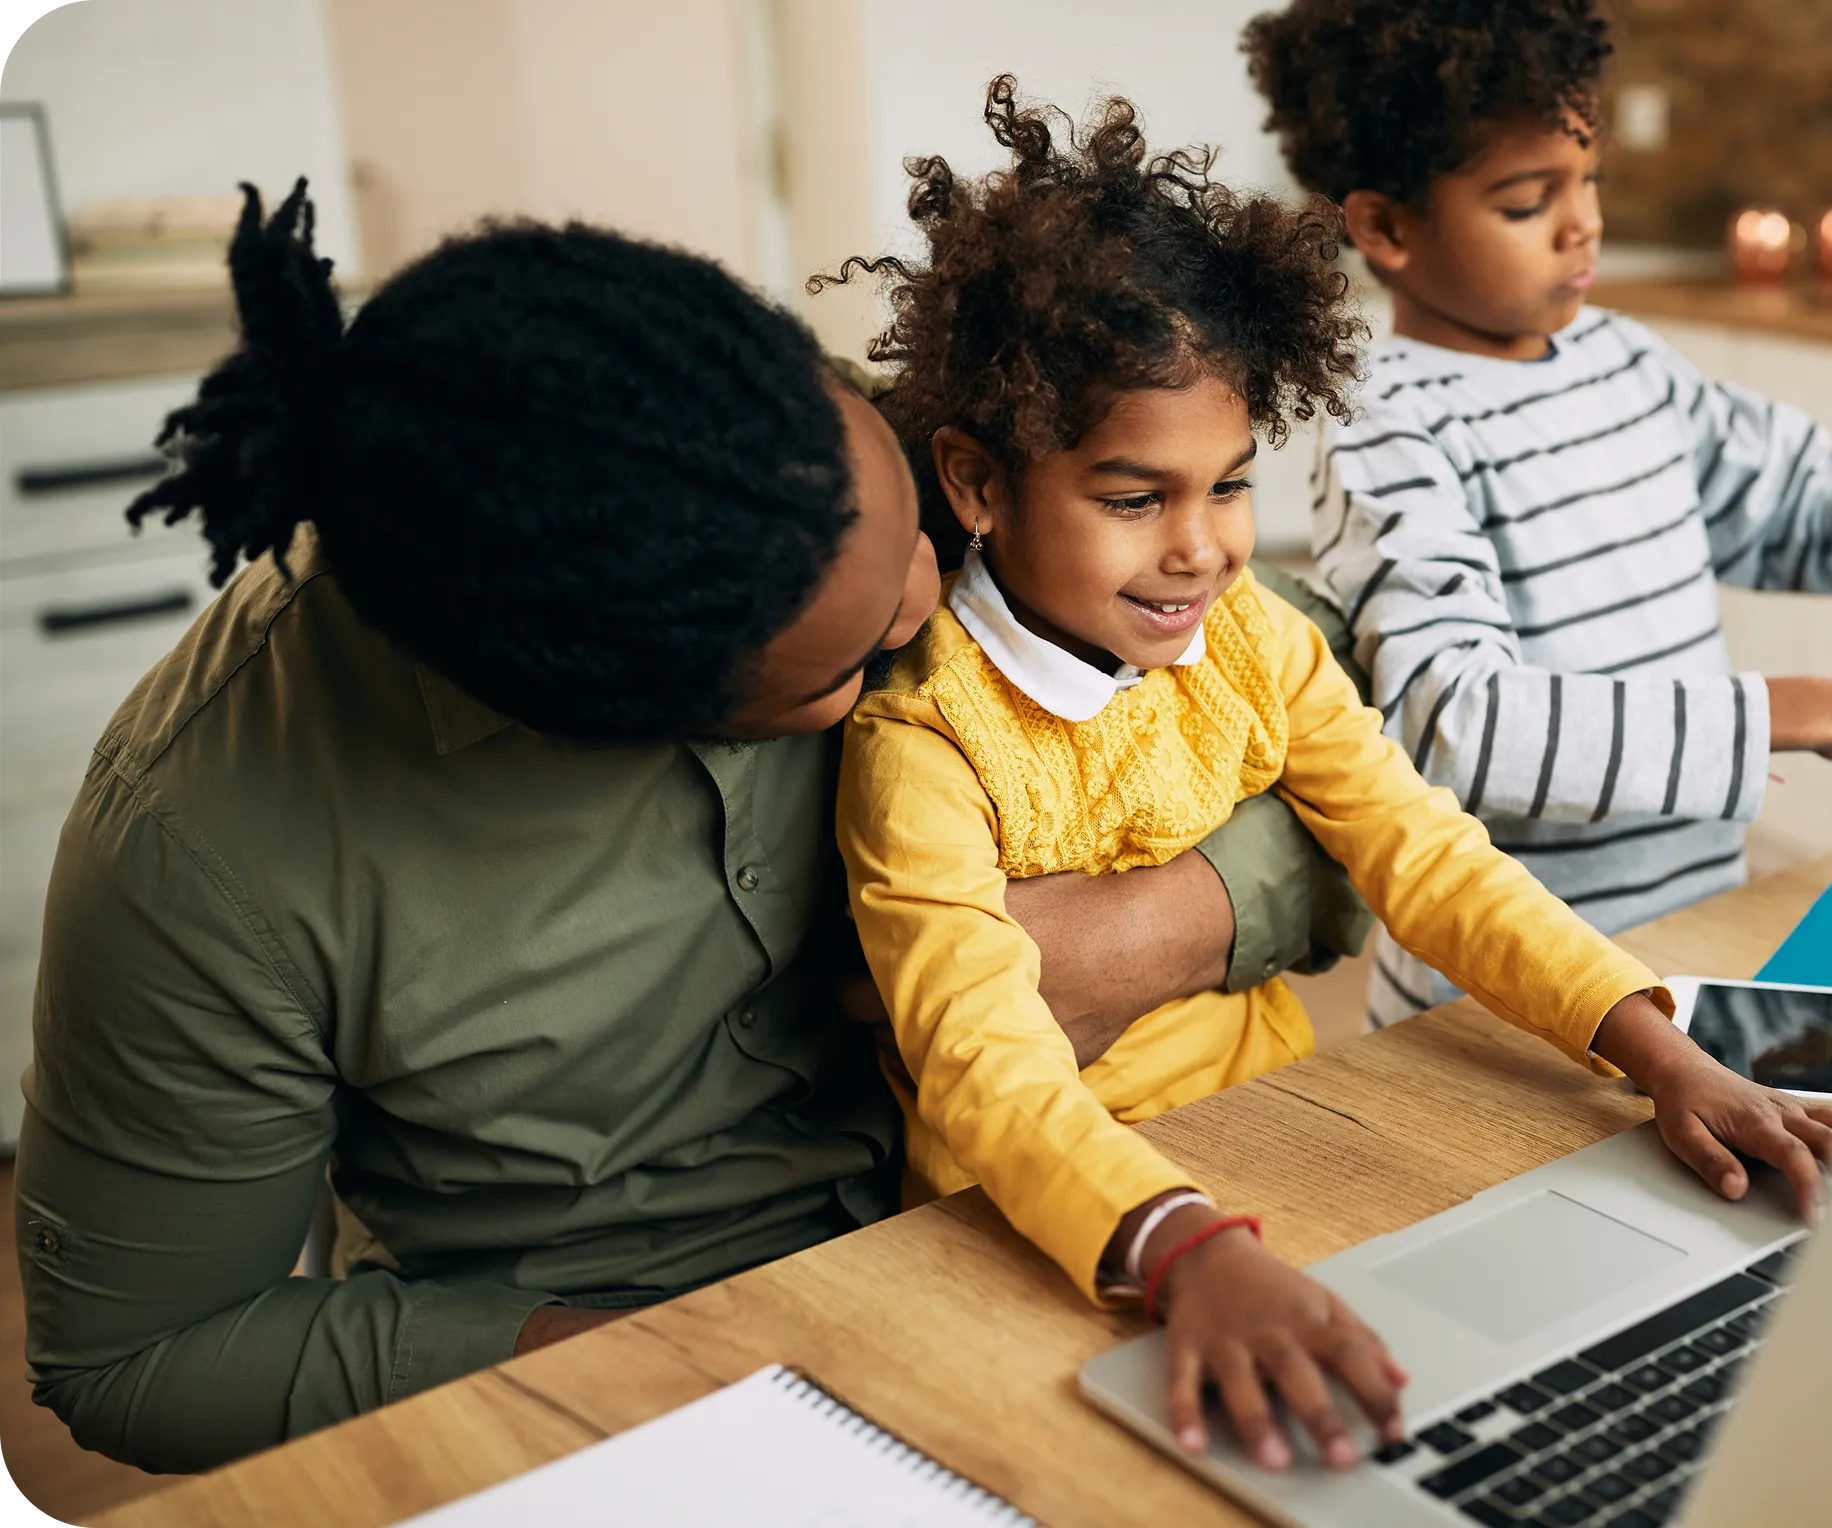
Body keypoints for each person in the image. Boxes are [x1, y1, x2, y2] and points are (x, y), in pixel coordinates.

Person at [16, 183, 1362, 1473]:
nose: (929, 600)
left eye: (913, 522)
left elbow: (1320, 695)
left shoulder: (822, 453)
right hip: (655, 1384)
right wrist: (640, 1367)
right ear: (625, 718)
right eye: (849, 671)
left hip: (1095, 1207)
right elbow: (143, 1356)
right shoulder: (200, 847)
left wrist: (1165, 926)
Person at [833, 78, 1832, 1477]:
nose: (1200, 549)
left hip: (1277, 1143)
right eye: (1134, 498)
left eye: (1229, 485)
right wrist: (1185, 1250)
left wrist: (1661, 1050)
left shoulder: (1252, 641)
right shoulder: (925, 741)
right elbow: (982, 1063)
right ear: (975, 483)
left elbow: (1426, 855)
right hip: (1060, 1227)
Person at [1244, 0, 1832, 1027]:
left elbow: (1802, 502)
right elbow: (1456, 721)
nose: (1583, 223)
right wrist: (1800, 710)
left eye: (1589, 180)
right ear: (1386, 228)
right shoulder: (1388, 429)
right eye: (1528, 202)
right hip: (1510, 999)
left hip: (1695, 946)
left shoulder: (1627, 363)